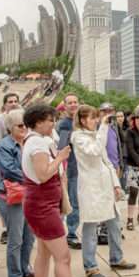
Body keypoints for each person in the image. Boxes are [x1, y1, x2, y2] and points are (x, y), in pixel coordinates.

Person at [21, 103, 100, 277]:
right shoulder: (36, 143)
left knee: (44, 254)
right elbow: (43, 174)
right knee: (63, 257)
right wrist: (61, 157)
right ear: (37, 122)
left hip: (41, 204)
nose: (52, 123)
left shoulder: (37, 140)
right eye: (49, 120)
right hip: (42, 206)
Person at [71, 105, 136, 277]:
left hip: (106, 187)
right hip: (91, 189)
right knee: (91, 227)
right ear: (83, 120)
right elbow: (95, 151)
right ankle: (90, 266)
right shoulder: (78, 137)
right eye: (92, 118)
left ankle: (116, 258)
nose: (97, 121)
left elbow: (107, 163)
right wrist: (104, 128)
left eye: (96, 118)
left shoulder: (95, 135)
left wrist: (116, 185)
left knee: (115, 224)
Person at [0, 110, 35, 277]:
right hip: (12, 195)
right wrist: (32, 177)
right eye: (20, 125)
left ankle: (24, 267)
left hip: (28, 194)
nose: (24, 128)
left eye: (26, 125)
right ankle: (14, 275)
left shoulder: (28, 143)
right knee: (16, 237)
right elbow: (9, 170)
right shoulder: (4, 146)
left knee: (29, 236)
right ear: (11, 127)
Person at [56, 93, 82, 249]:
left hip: (81, 168)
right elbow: (62, 147)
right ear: (64, 106)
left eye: (75, 102)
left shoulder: (79, 122)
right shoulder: (65, 124)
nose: (73, 105)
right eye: (70, 103)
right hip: (71, 169)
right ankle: (71, 234)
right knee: (73, 202)